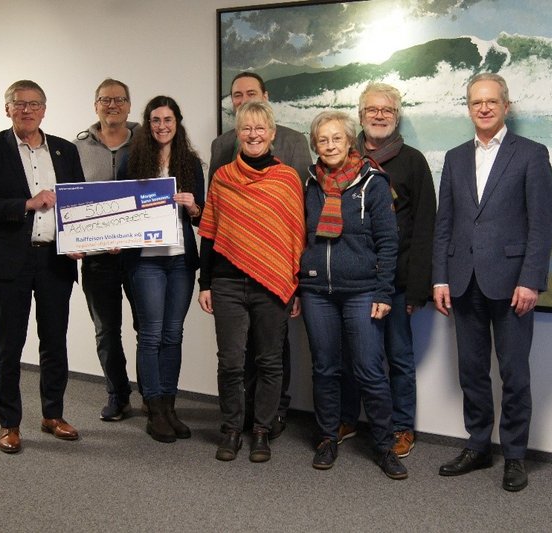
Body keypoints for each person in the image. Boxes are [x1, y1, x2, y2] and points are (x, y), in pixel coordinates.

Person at [432, 73, 552, 492]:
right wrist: (440, 278)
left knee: (515, 374)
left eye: (491, 101)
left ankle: (515, 455)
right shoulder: (454, 158)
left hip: (513, 285)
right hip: (463, 282)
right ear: (468, 108)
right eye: (476, 102)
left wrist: (531, 280)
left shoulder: (531, 154)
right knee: (472, 371)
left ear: (506, 105)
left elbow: (542, 224)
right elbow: (444, 224)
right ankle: (478, 445)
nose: (483, 108)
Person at [0, 80, 85, 454]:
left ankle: (53, 415)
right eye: (19, 103)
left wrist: (78, 241)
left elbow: (78, 205)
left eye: (34, 104)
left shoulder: (65, 150)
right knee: (8, 345)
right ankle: (9, 423)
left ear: (44, 110)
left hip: (55, 261)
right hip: (10, 262)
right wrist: (26, 204)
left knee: (54, 342)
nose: (27, 110)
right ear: (7, 109)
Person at [300, 110, 404, 480]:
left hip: (362, 291)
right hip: (317, 292)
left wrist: (384, 292)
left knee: (370, 370)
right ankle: (328, 437)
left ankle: (385, 446)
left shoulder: (372, 181)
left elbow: (388, 242)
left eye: (337, 139)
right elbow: (299, 234)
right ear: (315, 145)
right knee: (325, 369)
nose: (330, 145)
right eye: (323, 140)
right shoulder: (309, 183)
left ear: (349, 141)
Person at [198, 101, 305, 463]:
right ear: (238, 134)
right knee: (230, 362)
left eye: (260, 128)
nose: (253, 135)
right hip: (227, 283)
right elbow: (209, 233)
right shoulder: (223, 177)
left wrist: (295, 287)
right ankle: (231, 429)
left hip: (272, 284)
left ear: (272, 134)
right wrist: (205, 282)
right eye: (246, 128)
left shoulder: (287, 179)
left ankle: (261, 429)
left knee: (269, 361)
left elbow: (294, 237)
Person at [337, 83, 437, 459]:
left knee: (398, 357)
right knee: (351, 355)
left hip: (396, 280)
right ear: (360, 115)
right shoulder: (343, 158)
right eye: (372, 110)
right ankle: (347, 418)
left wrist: (417, 288)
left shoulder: (413, 162)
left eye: (387, 110)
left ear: (397, 116)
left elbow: (426, 226)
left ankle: (401, 427)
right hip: (352, 278)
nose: (379, 116)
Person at [119, 96, 204, 443]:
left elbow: (203, 216)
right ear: (147, 124)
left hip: (180, 260)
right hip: (145, 261)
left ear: (177, 123)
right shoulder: (132, 161)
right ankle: (154, 408)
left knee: (173, 334)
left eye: (168, 120)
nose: (162, 126)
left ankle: (169, 406)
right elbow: (120, 210)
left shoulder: (191, 163)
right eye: (155, 120)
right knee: (151, 334)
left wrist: (193, 206)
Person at [73, 78, 141, 422]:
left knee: (148, 329)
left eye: (119, 99)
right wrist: (72, 241)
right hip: (97, 260)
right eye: (105, 100)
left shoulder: (147, 142)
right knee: (106, 331)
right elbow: (69, 200)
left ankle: (153, 396)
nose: (112, 105)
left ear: (129, 105)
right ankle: (118, 395)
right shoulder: (76, 148)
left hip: (140, 257)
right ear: (95, 105)